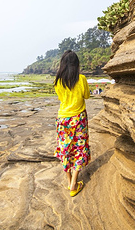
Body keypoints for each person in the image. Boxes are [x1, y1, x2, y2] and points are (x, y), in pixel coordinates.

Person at [53, 50, 90, 197]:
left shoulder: (58, 81)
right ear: (76, 64)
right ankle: (74, 183)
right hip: (79, 118)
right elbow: (86, 95)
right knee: (79, 148)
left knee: (65, 149)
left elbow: (61, 99)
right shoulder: (81, 79)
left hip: (63, 119)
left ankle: (69, 183)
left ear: (62, 64)